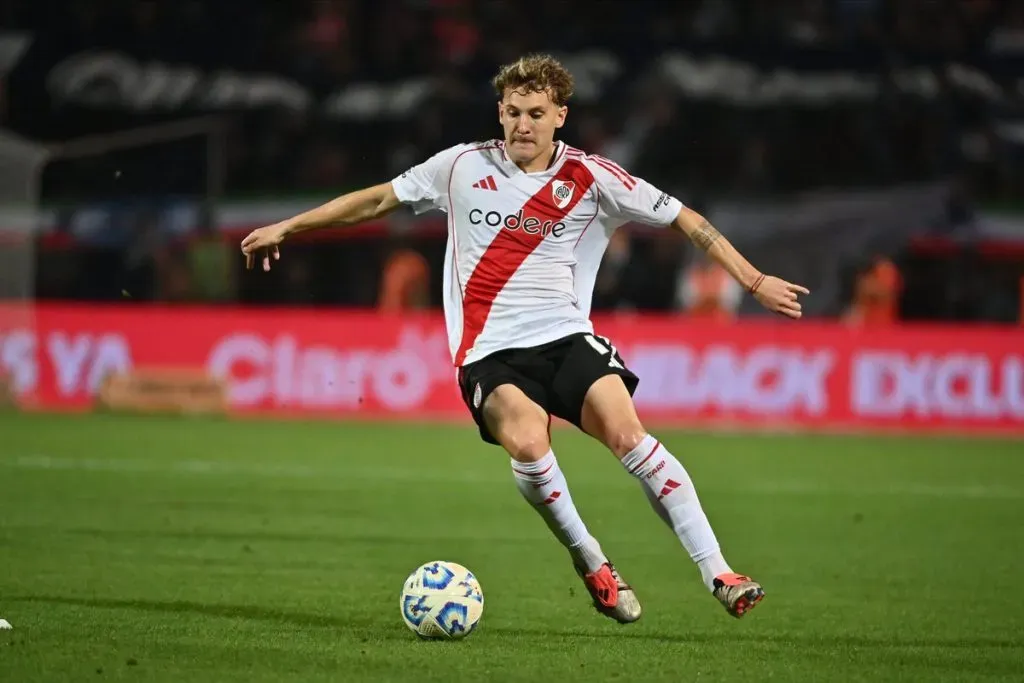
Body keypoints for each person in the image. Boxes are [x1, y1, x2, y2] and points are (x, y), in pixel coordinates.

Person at [241, 54, 809, 623]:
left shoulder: (593, 177)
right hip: (489, 354)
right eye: (512, 112)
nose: (522, 125)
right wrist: (289, 226)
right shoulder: (460, 166)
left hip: (565, 338)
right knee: (532, 447)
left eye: (536, 113)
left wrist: (754, 281)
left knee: (630, 435)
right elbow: (376, 200)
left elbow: (687, 218)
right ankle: (591, 559)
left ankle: (719, 572)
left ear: (560, 115)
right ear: (499, 111)